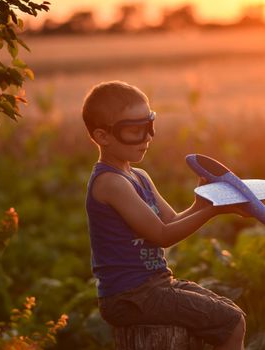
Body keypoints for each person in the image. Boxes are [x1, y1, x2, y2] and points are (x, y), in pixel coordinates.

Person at [82, 80, 246, 349]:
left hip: (154, 285)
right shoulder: (110, 183)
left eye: (149, 126)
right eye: (134, 130)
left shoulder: (138, 176)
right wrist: (213, 211)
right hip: (129, 297)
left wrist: (202, 203)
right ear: (103, 136)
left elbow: (169, 221)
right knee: (230, 322)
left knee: (231, 313)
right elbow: (162, 236)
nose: (147, 137)